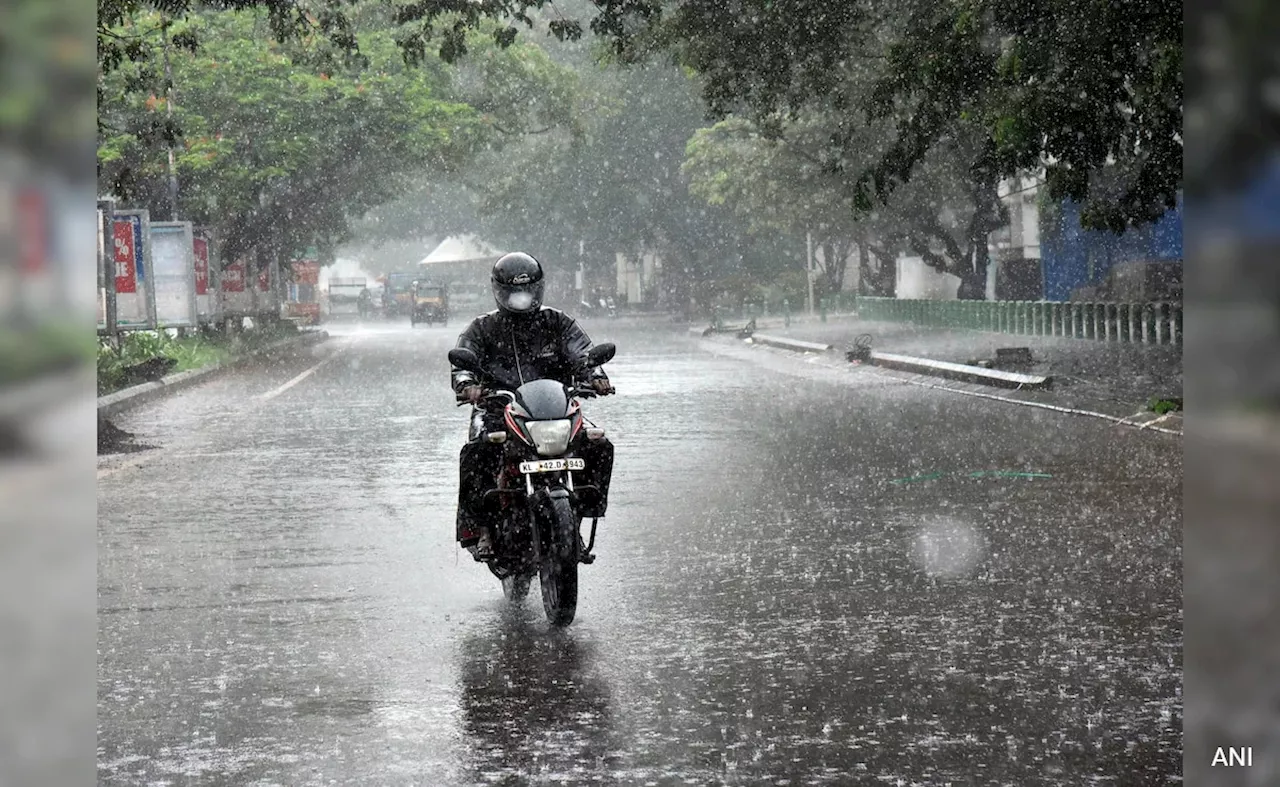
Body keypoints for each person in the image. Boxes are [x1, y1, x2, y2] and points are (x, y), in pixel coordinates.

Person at [450, 252, 616, 559]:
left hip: (553, 411)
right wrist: (467, 384)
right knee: (477, 452)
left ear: (538, 288)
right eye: (514, 292)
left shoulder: (558, 323)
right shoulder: (482, 328)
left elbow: (583, 352)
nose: (521, 298)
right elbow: (463, 360)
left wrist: (595, 376)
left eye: (526, 291)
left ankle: (581, 513)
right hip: (497, 410)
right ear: (500, 291)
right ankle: (482, 529)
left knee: (599, 445)